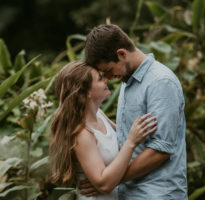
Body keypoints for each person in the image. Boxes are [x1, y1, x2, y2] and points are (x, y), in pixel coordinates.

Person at [80, 24, 187, 199]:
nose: (108, 78)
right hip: (131, 193)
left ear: (121, 54)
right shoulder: (128, 80)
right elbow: (127, 132)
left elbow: (161, 149)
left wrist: (111, 180)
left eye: (108, 70)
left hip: (156, 194)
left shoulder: (160, 82)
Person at [49, 61, 157, 200]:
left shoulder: (99, 114)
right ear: (87, 92)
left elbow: (120, 138)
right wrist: (131, 142)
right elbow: (104, 185)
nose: (106, 79)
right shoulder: (82, 134)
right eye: (100, 79)